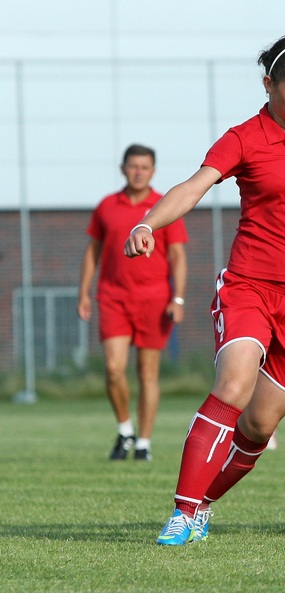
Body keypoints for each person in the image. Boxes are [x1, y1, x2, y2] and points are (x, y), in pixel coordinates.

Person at [123, 35, 285, 545]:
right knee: (233, 385)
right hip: (251, 286)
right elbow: (193, 187)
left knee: (260, 425)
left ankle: (202, 506)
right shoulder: (242, 138)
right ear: (269, 84)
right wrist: (147, 225)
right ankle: (181, 513)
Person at [78, 144, 188, 462]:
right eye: (133, 166)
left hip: (154, 299)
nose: (138, 172)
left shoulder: (163, 207)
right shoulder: (107, 207)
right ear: (123, 168)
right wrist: (83, 292)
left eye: (145, 167)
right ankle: (125, 429)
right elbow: (92, 251)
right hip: (113, 297)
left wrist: (177, 298)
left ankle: (144, 442)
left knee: (147, 372)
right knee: (113, 369)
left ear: (153, 171)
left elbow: (178, 256)